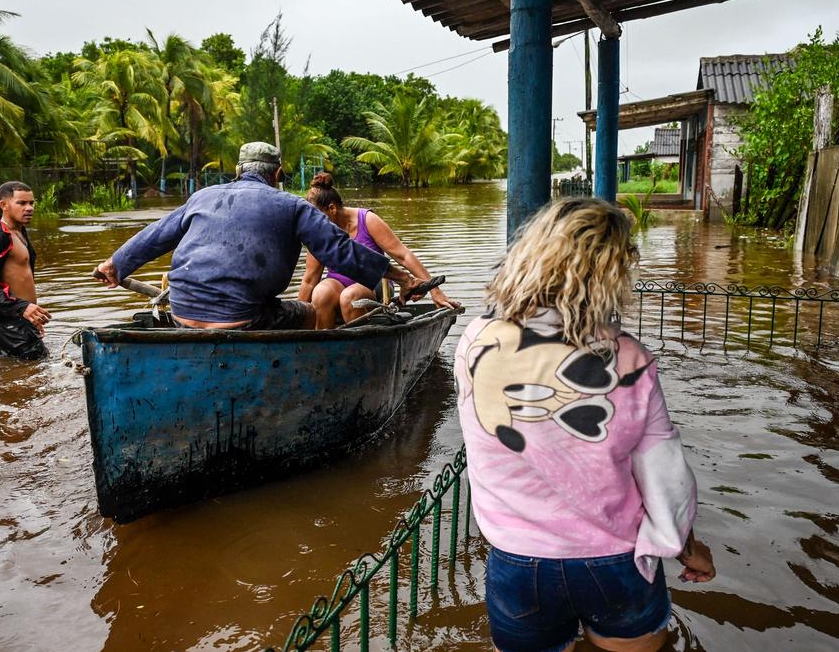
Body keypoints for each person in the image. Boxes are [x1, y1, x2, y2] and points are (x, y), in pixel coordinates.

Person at [454, 199, 715, 652]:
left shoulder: (475, 343)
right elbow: (666, 481)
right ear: (614, 277)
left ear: (530, 256)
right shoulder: (632, 361)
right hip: (617, 562)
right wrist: (686, 548)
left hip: (519, 564)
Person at [94, 142, 418, 330]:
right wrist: (397, 276)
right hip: (242, 320)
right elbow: (340, 250)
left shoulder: (202, 196)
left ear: (237, 171)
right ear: (277, 175)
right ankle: (304, 375)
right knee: (309, 313)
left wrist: (115, 264)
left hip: (181, 313)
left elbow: (157, 235)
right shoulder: (292, 205)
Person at [299, 172, 458, 329]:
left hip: (374, 284)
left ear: (332, 208)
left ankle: (364, 351)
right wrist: (295, 324)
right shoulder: (318, 232)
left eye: (317, 217)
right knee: (320, 294)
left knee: (350, 297)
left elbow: (403, 255)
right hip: (337, 283)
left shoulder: (366, 219)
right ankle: (323, 351)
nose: (315, 223)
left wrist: (434, 290)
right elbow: (309, 280)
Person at [0, 181, 51, 360]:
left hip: (23, 322)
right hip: (10, 328)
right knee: (28, 378)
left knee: (26, 378)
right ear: (4, 205)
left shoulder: (19, 233)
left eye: (31, 203)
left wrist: (31, 316)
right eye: (21, 203)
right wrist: (20, 307)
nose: (29, 208)